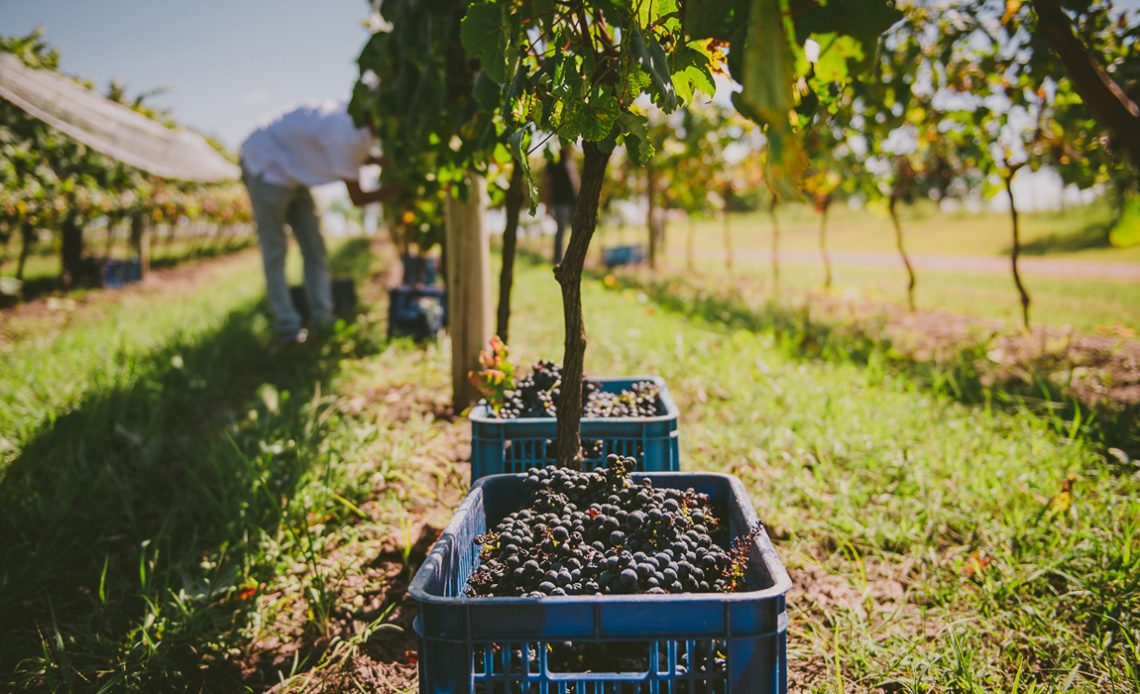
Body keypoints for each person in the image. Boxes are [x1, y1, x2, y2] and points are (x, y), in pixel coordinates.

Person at [239, 101, 399, 344]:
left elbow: (357, 154)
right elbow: (359, 198)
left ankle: (322, 320)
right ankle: (288, 328)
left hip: (293, 172)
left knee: (315, 248)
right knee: (275, 250)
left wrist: (381, 161)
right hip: (265, 164)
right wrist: (402, 187)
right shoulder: (346, 135)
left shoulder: (355, 124)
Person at [541, 148, 580, 265]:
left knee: (574, 230)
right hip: (560, 203)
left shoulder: (570, 160)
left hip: (573, 203)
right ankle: (558, 259)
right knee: (561, 231)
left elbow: (576, 182)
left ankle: (571, 257)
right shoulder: (554, 160)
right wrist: (546, 204)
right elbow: (546, 182)